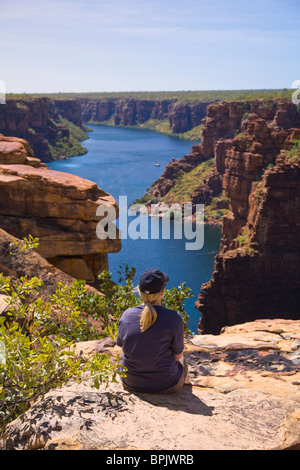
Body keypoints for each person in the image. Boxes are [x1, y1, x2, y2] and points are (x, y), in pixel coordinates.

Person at [116, 268, 188, 393]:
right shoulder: (173, 318)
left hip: (131, 382)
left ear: (139, 291)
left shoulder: (127, 315)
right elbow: (178, 356)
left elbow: (121, 346)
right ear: (162, 292)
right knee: (183, 360)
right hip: (166, 384)